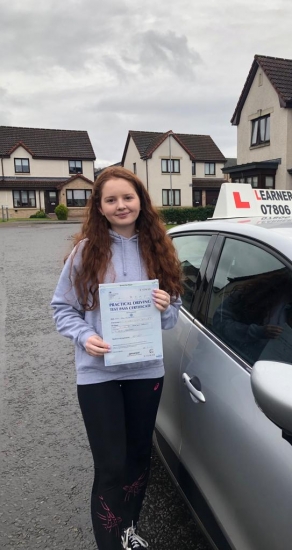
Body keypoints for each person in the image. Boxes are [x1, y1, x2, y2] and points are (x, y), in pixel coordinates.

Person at [51, 166, 182, 550]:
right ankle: (110, 542)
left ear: (140, 200)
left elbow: (173, 317)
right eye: (111, 199)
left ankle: (128, 531)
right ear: (100, 207)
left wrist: (164, 306)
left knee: (139, 458)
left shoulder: (158, 249)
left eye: (128, 197)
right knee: (111, 465)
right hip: (98, 374)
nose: (121, 205)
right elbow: (62, 308)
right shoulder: (85, 252)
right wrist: (85, 335)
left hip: (146, 371)